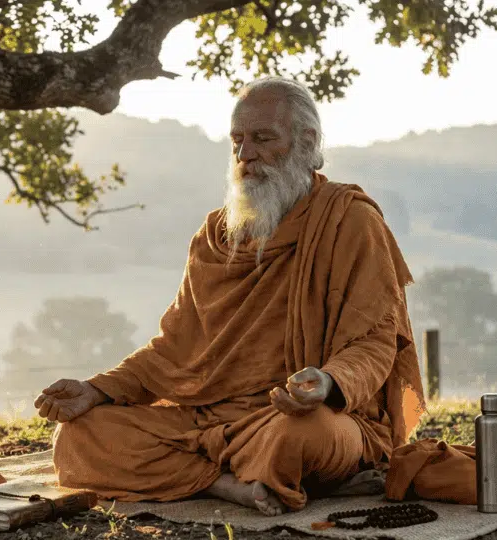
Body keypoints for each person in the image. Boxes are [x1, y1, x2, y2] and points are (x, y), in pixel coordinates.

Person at [33, 76, 426, 515]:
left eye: (262, 139)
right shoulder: (215, 236)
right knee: (77, 436)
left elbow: (374, 342)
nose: (245, 156)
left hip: (300, 415)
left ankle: (237, 469)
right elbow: (172, 348)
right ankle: (227, 483)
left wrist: (328, 382)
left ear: (307, 141)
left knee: (302, 437)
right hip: (207, 419)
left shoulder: (350, 221)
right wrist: (97, 390)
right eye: (237, 141)